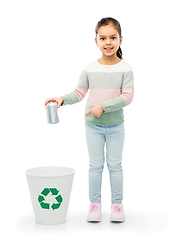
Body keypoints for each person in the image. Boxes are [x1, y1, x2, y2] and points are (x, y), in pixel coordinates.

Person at [45, 17, 134, 222]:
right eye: (103, 38)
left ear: (121, 39)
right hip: (93, 127)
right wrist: (61, 99)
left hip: (116, 127)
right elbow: (78, 93)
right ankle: (94, 206)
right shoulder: (89, 68)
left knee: (115, 166)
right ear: (96, 41)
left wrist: (103, 106)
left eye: (113, 37)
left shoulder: (125, 68)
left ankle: (117, 206)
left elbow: (127, 97)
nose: (108, 42)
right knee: (95, 166)